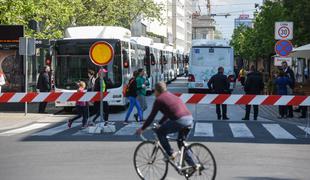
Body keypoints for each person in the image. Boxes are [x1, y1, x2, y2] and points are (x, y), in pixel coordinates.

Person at [136, 82, 196, 167]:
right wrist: (160, 123)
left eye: (155, 91)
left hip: (179, 121)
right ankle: (194, 165)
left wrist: (142, 128)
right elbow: (168, 114)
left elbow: (151, 116)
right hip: (189, 119)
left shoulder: (159, 99)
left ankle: (171, 154)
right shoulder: (172, 95)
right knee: (181, 143)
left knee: (160, 132)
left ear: (157, 91)